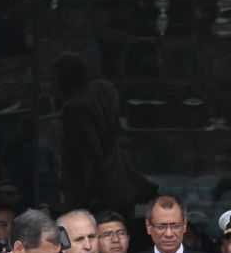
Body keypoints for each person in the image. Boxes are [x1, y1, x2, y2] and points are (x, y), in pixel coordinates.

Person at [54, 51, 157, 212]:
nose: (57, 83)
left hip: (94, 189)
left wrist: (89, 193)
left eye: (59, 77)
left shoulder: (76, 107)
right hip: (116, 180)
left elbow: (91, 152)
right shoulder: (104, 90)